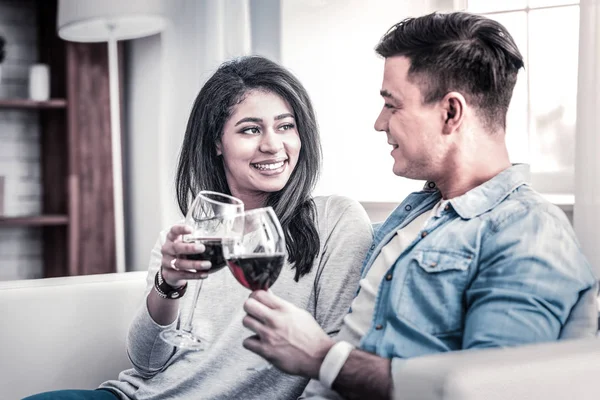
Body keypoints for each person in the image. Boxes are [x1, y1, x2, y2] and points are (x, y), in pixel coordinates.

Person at [241, 11, 598, 400]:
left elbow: (490, 391)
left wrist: (322, 357)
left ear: (450, 113)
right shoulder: (421, 209)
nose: (380, 123)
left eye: (392, 106)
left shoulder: (529, 232)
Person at [25, 56, 373, 399]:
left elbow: (333, 361)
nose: (272, 144)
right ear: (217, 143)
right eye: (250, 129)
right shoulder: (188, 236)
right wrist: (169, 282)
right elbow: (146, 364)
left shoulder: (335, 221)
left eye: (285, 126)